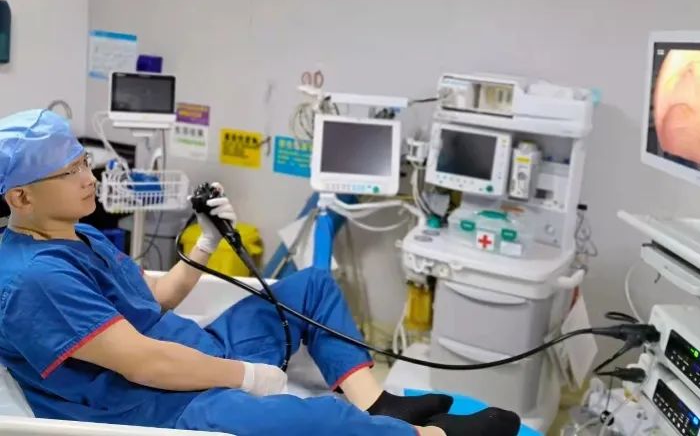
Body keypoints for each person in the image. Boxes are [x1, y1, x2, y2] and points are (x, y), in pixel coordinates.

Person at [0, 109, 521, 436]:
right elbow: (146, 364)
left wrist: (206, 241)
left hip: (194, 353)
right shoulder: (37, 279)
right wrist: (247, 377)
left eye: (83, 163)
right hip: (155, 402)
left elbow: (154, 299)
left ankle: (380, 403)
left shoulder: (80, 234)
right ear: (21, 197)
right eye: (70, 172)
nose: (89, 178)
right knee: (316, 417)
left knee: (311, 287)